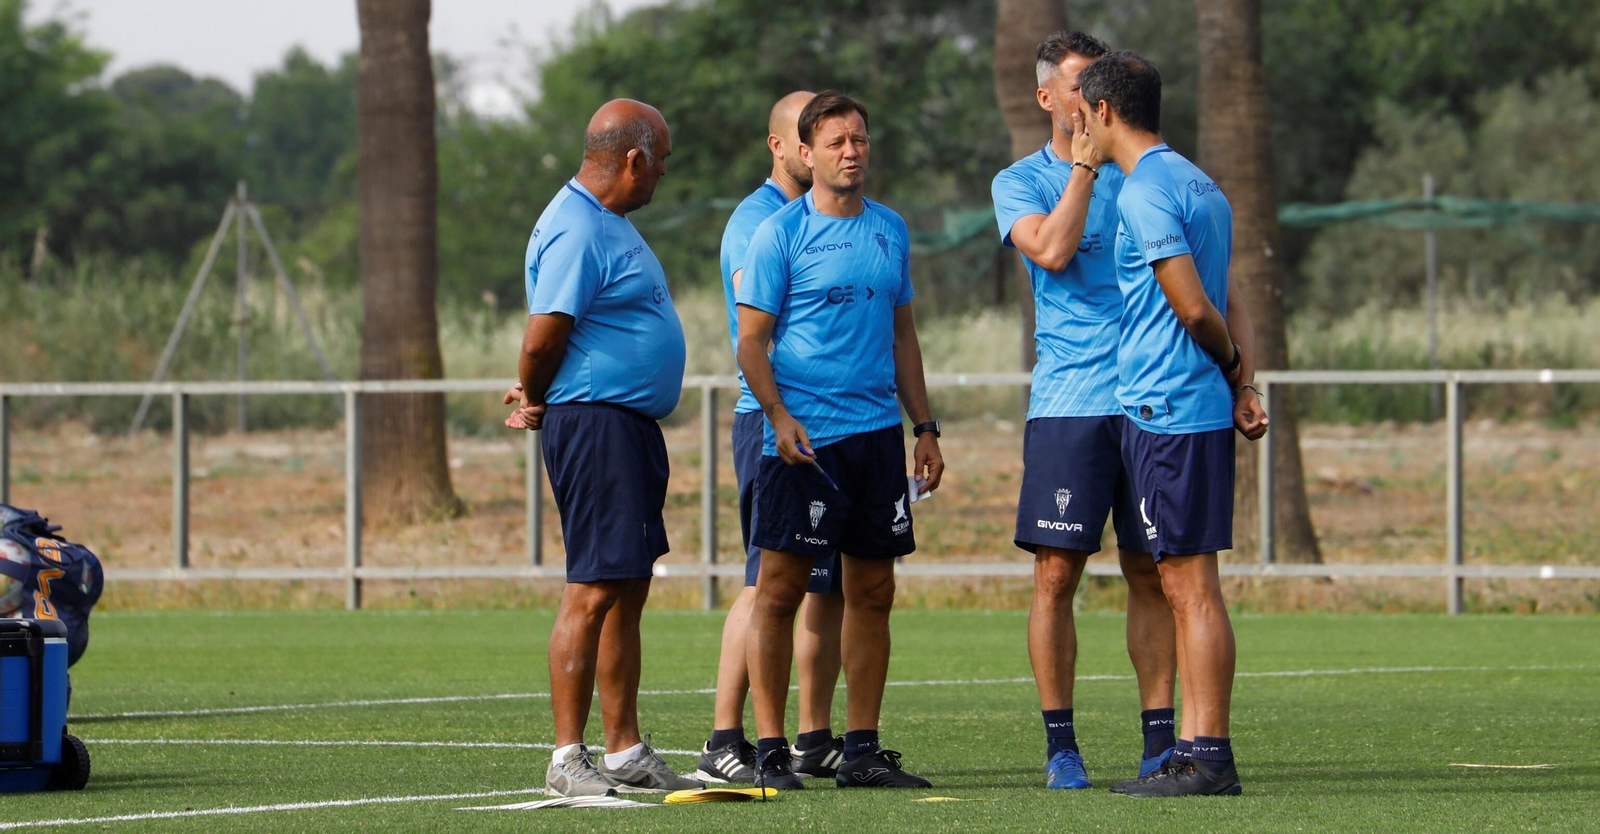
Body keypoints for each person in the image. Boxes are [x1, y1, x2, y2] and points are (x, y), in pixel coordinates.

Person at [736, 91, 945, 790]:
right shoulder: (778, 235)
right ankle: (770, 750)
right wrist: (778, 415)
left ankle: (859, 749)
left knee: (875, 591)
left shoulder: (890, 229)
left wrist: (925, 427)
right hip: (805, 445)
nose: (851, 152)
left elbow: (903, 333)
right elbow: (751, 343)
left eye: (859, 139)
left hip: (878, 440)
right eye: (835, 143)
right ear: (806, 153)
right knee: (779, 592)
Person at [1075, 51, 1270, 798]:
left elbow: (1195, 306)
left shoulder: (1144, 192)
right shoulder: (1200, 181)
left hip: (1168, 411)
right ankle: (1194, 749)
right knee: (1186, 581)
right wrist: (1242, 379)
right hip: (1189, 409)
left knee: (1189, 586)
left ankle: (1209, 755)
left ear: (1102, 112)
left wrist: (1228, 371)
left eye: (1081, 116)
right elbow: (1233, 291)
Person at [989, 30, 1178, 790]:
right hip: (1069, 403)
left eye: (1097, 85)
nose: (1091, 99)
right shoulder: (1020, 182)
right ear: (1047, 98)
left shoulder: (1146, 179)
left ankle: (1161, 742)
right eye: (1077, 86)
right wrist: (1083, 169)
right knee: (1055, 576)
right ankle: (1061, 746)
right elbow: (1056, 251)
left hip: (1147, 400)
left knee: (1151, 572)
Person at [505, 98, 703, 798]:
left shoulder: (609, 222)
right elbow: (542, 336)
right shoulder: (575, 227)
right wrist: (533, 394)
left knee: (626, 587)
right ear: (633, 159)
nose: (663, 175)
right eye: (663, 160)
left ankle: (623, 750)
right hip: (596, 424)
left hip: (628, 426)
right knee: (592, 588)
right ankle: (567, 759)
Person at [696, 90, 849, 786]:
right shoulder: (759, 223)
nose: (821, 146)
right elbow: (756, 330)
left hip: (834, 419)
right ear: (781, 146)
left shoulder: (832, 216)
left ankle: (814, 738)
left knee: (827, 583)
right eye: (803, 135)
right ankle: (726, 736)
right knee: (767, 581)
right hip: (771, 414)